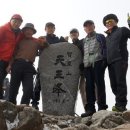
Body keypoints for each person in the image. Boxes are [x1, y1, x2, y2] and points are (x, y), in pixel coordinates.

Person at [8, 23, 48, 105]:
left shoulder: (37, 41)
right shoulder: (19, 41)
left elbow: (46, 47)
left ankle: (23, 107)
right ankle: (11, 107)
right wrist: (9, 65)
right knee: (13, 88)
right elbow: (13, 54)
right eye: (26, 30)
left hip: (29, 66)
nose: (28, 31)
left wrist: (45, 42)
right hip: (17, 64)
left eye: (30, 30)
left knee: (29, 89)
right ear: (23, 31)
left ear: (33, 32)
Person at [31, 22, 67, 109]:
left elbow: (64, 49)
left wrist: (65, 41)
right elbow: (36, 50)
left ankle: (52, 105)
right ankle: (35, 103)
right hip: (43, 64)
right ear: (45, 29)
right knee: (38, 84)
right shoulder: (41, 38)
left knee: (53, 85)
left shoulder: (58, 40)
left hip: (55, 66)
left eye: (52, 27)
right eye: (48, 27)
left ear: (54, 29)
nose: (50, 29)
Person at [103, 14, 130, 112]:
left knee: (120, 82)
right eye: (106, 22)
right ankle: (119, 103)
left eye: (110, 21)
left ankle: (121, 105)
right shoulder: (107, 38)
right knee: (113, 85)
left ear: (115, 21)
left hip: (120, 60)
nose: (108, 23)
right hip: (110, 63)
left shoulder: (122, 30)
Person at [81, 20, 108, 117]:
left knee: (100, 85)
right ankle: (90, 109)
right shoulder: (83, 40)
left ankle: (102, 107)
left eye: (90, 25)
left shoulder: (100, 36)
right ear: (84, 29)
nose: (88, 27)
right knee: (88, 87)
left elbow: (105, 47)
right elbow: (82, 53)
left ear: (94, 26)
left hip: (98, 62)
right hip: (87, 65)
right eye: (86, 26)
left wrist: (104, 61)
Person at [0, 14, 23, 99]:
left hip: (8, 61)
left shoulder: (20, 34)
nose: (16, 24)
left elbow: (29, 38)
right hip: (0, 59)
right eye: (15, 21)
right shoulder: (3, 29)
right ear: (10, 20)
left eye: (19, 22)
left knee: (1, 79)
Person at [69, 28, 86, 108]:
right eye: (72, 33)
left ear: (78, 34)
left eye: (75, 32)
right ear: (70, 36)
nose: (73, 34)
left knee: (84, 89)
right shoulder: (69, 46)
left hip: (83, 70)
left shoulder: (83, 41)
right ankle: (70, 109)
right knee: (73, 91)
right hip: (72, 72)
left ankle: (89, 109)